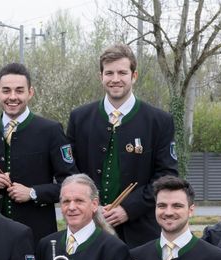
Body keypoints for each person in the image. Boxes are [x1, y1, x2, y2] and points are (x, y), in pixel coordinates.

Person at [67, 44, 178, 248]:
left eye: (122, 72)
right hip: (88, 227)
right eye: (109, 73)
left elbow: (166, 176)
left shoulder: (159, 120)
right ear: (101, 76)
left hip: (141, 231)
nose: (115, 79)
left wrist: (129, 208)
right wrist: (91, 206)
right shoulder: (79, 118)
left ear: (133, 75)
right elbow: (70, 170)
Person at [0, 62, 77, 243]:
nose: (12, 97)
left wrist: (33, 193)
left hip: (37, 233)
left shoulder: (51, 130)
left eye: (19, 90)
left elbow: (70, 183)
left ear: (30, 92)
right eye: (6, 91)